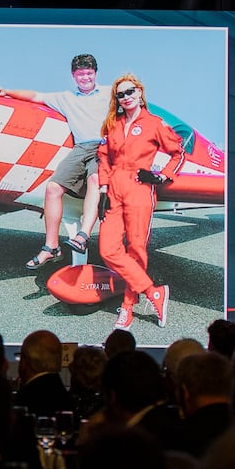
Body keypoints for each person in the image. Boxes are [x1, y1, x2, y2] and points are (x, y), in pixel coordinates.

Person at [0, 52, 108, 267]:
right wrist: (6, 92)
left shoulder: (110, 93)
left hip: (104, 145)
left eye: (89, 73)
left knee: (94, 181)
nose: (85, 78)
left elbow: (136, 103)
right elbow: (36, 96)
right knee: (53, 188)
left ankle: (82, 237)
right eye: (81, 74)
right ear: (74, 75)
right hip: (81, 147)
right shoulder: (65, 98)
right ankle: (51, 246)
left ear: (95, 73)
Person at [95, 71, 186, 330]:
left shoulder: (155, 123)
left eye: (130, 92)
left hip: (140, 188)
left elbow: (177, 153)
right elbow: (103, 157)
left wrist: (161, 176)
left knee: (136, 249)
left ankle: (127, 307)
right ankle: (153, 292)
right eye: (120, 94)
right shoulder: (112, 124)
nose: (126, 97)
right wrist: (102, 190)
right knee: (108, 249)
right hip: (114, 189)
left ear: (140, 93)